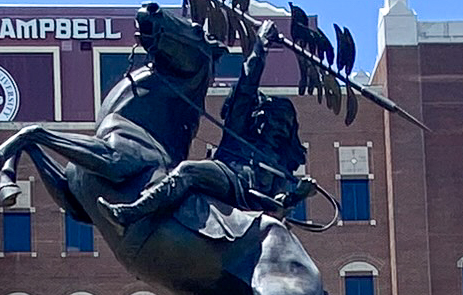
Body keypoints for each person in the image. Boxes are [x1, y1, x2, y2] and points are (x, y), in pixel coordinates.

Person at [103, 21, 312, 227]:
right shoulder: (240, 134)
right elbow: (246, 87)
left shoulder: (280, 168)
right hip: (225, 178)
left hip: (246, 207)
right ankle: (135, 211)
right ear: (260, 118)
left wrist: (297, 195)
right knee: (187, 171)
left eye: (284, 124)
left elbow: (278, 209)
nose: (278, 127)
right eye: (274, 119)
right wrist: (260, 45)